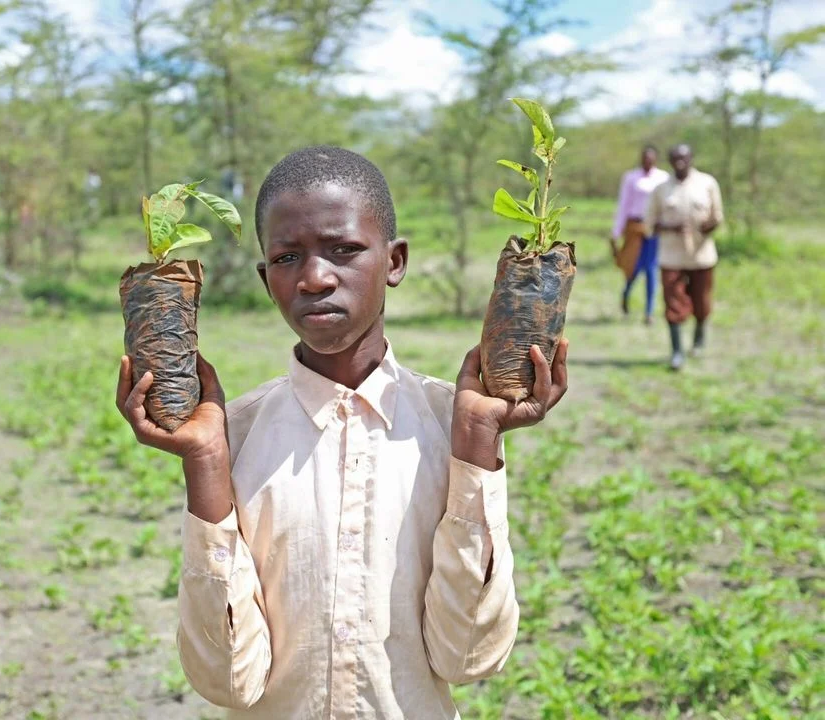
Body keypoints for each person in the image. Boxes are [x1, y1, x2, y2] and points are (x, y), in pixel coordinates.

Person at [115, 146, 570, 718]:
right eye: (287, 258)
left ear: (395, 262)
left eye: (344, 250)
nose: (314, 278)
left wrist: (479, 442)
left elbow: (468, 656)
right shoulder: (236, 436)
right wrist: (204, 463)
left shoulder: (449, 426)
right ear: (267, 280)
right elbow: (230, 682)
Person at [644, 144, 724, 371]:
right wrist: (671, 227)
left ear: (691, 159)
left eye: (684, 157)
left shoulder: (707, 183)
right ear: (670, 161)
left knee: (701, 301)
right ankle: (677, 352)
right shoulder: (661, 189)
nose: (680, 162)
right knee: (673, 303)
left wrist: (707, 226)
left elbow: (718, 216)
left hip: (701, 256)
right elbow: (649, 225)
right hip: (672, 257)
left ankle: (699, 337)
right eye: (675, 158)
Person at [610, 145, 669, 324]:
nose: (647, 161)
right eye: (645, 158)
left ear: (656, 159)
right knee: (633, 267)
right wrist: (616, 231)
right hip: (634, 228)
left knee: (651, 269)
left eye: (651, 158)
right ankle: (626, 294)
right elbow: (624, 204)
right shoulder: (631, 178)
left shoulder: (663, 178)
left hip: (653, 229)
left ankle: (649, 312)